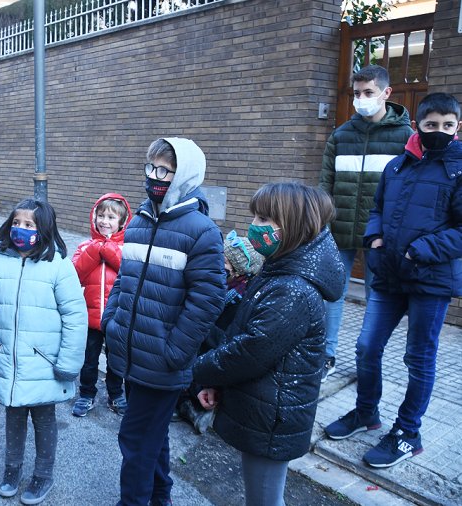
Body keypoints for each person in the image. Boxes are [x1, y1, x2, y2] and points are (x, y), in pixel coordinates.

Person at [324, 92, 462, 468]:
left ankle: (407, 433)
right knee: (367, 347)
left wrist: (421, 249)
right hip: (388, 275)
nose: (439, 132)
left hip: (430, 281)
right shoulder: (397, 167)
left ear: (457, 127)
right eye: (431, 124)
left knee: (419, 359)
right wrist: (374, 238)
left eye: (447, 126)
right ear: (418, 125)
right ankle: (365, 412)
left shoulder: (459, 168)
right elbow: (378, 208)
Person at [193, 182, 345, 506]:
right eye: (256, 217)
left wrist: (196, 370)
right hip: (265, 409)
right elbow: (242, 331)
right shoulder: (277, 270)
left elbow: (250, 350)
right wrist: (216, 383)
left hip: (273, 419)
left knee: (264, 499)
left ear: (293, 227)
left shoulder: (293, 290)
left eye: (264, 219)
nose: (254, 227)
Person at [102, 138, 225, 506]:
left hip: (163, 359)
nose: (154, 177)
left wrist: (175, 351)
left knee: (135, 440)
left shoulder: (201, 231)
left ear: (184, 176)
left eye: (165, 171)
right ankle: (160, 497)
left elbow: (208, 298)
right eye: (151, 168)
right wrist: (113, 320)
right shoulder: (139, 221)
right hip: (131, 351)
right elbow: (125, 278)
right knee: (153, 437)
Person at [0, 198, 87, 505]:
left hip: (44, 364)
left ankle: (43, 475)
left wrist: (68, 363)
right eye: (16, 223)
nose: (21, 229)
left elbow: (76, 317)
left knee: (44, 419)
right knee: (14, 416)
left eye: (29, 225)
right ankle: (12, 470)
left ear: (44, 230)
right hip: (7, 359)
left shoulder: (59, 266)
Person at [319, 64, 413, 382]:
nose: (361, 99)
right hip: (339, 229)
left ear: (386, 93)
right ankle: (326, 355)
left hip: (380, 237)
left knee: (378, 299)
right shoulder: (341, 135)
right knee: (333, 293)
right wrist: (322, 224)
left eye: (368, 93)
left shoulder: (406, 137)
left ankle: (367, 359)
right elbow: (325, 186)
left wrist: (393, 233)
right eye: (357, 93)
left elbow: (409, 191)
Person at [175, 230, 265, 434]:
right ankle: (187, 402)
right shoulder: (220, 285)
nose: (219, 267)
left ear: (240, 272)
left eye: (225, 264)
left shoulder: (239, 300)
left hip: (213, 351)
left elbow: (222, 340)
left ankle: (192, 404)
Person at [70, 193, 132, 417]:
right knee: (89, 360)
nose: (105, 221)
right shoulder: (85, 246)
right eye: (101, 215)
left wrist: (107, 248)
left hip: (117, 316)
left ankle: (115, 394)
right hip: (90, 316)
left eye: (111, 217)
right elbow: (76, 273)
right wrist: (96, 250)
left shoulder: (127, 248)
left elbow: (129, 271)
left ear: (122, 223)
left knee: (116, 361)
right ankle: (87, 394)